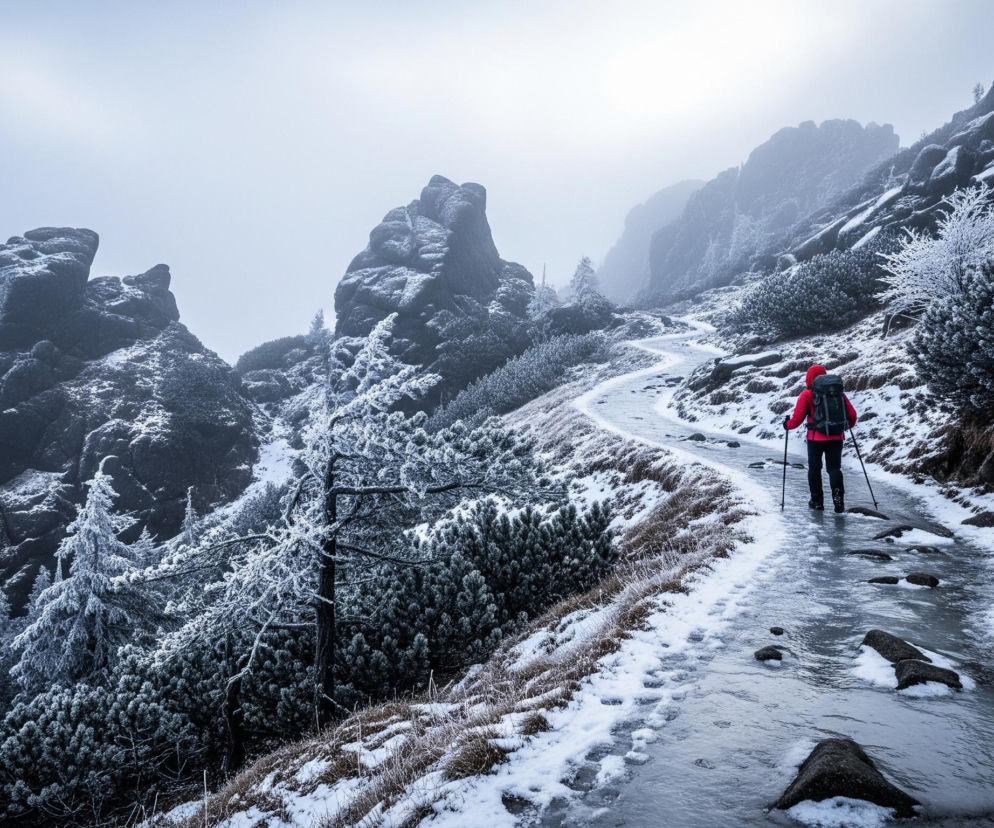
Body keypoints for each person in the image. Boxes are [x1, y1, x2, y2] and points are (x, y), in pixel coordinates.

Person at [783, 364, 857, 512]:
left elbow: (797, 419)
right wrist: (842, 427)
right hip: (836, 438)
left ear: (809, 378)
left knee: (815, 469)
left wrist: (787, 425)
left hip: (815, 439)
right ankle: (838, 499)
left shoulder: (807, 394)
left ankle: (817, 501)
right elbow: (852, 416)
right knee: (834, 469)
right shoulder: (838, 393)